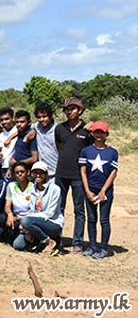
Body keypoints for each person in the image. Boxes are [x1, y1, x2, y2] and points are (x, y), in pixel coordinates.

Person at [55, 97, 93, 255]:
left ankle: (77, 242)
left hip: (78, 175)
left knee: (79, 210)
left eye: (73, 109)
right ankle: (57, 240)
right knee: (58, 208)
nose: (69, 112)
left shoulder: (87, 130)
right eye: (66, 109)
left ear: (80, 111)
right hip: (61, 174)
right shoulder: (60, 128)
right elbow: (60, 147)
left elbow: (91, 151)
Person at [79, 121, 118, 259]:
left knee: (104, 219)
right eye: (96, 132)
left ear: (107, 134)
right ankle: (92, 246)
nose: (99, 134)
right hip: (90, 188)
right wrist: (88, 191)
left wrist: (103, 191)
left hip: (105, 190)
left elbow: (113, 172)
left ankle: (103, 248)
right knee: (91, 218)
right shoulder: (86, 151)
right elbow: (83, 171)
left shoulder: (112, 152)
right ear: (92, 133)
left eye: (102, 132)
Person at [13, 161, 64, 256]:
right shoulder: (32, 189)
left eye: (41, 172)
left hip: (52, 223)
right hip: (36, 223)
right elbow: (33, 210)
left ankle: (49, 242)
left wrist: (27, 221)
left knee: (25, 221)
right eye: (35, 172)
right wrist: (28, 229)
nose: (38, 175)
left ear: (46, 174)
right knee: (18, 245)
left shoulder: (55, 189)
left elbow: (49, 213)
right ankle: (41, 242)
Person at [0, 162, 32, 244]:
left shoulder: (33, 188)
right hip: (15, 216)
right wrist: (10, 214)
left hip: (28, 218)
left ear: (28, 172)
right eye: (17, 172)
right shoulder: (11, 186)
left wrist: (22, 218)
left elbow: (35, 209)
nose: (20, 174)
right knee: (2, 218)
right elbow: (7, 205)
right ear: (14, 174)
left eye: (22, 171)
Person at [0, 107, 16, 178]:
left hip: (14, 168)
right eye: (2, 120)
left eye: (7, 119)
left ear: (13, 118)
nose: (4, 122)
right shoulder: (2, 135)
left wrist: (10, 138)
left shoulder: (17, 130)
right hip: (3, 167)